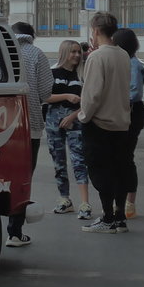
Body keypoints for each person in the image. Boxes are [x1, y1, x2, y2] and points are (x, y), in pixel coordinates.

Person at [78, 12, 132, 234]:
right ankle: (119, 217)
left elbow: (92, 94)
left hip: (99, 124)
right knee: (119, 170)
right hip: (121, 122)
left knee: (100, 171)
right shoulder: (124, 55)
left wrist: (83, 116)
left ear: (96, 30)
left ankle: (107, 217)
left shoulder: (97, 57)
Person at [8, 21, 53, 247]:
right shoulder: (36, 54)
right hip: (29, 124)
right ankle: (15, 232)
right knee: (23, 177)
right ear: (31, 36)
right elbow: (45, 92)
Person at [46, 40, 91, 217]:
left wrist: (72, 116)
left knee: (79, 159)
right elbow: (45, 96)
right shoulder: (52, 73)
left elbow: (89, 101)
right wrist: (66, 96)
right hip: (53, 120)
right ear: (64, 52)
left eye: (79, 52)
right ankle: (64, 199)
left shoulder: (83, 75)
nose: (77, 55)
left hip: (76, 119)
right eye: (73, 52)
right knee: (58, 160)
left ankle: (85, 204)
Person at [113, 28, 144, 220]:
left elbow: (134, 92)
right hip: (127, 112)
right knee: (121, 158)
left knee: (125, 159)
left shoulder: (132, 63)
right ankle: (122, 202)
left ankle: (129, 203)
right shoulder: (126, 61)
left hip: (131, 113)